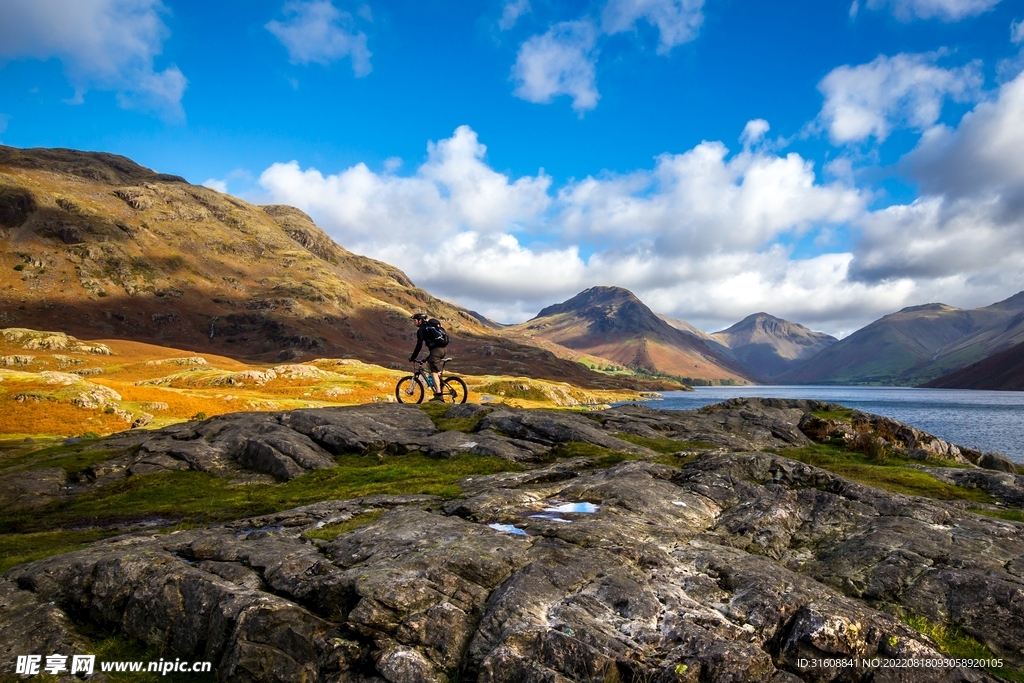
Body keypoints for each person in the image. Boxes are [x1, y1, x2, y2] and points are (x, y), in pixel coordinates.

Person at [409, 312, 447, 401]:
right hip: (442, 350)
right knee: (430, 365)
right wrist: (426, 358)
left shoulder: (422, 330)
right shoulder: (429, 328)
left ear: (420, 321)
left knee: (433, 371)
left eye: (415, 320)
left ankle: (438, 395)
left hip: (436, 351)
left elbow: (419, 345)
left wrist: (413, 357)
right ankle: (439, 383)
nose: (414, 322)